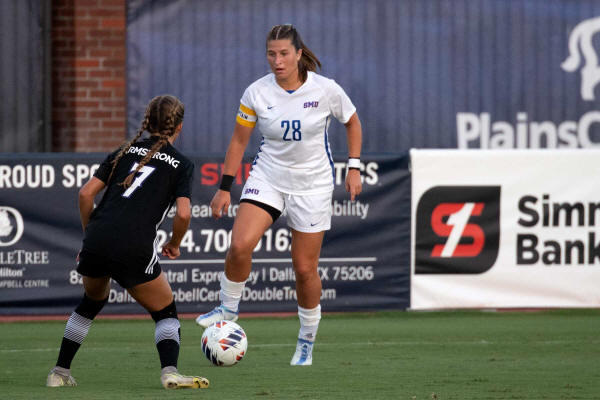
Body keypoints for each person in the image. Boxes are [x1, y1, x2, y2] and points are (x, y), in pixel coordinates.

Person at [195, 24, 363, 366]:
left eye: (284, 53)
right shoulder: (256, 92)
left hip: (312, 185)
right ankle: (228, 308)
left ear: (298, 54)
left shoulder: (326, 89)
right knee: (239, 245)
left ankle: (306, 340)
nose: (277, 60)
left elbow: (352, 122)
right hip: (268, 177)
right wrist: (224, 188)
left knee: (304, 269)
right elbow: (239, 140)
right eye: (271, 54)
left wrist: (354, 166)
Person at [46, 95, 209, 390]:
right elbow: (184, 213)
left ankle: (59, 373)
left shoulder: (123, 151)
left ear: (147, 122)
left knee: (91, 302)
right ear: (179, 127)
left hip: (97, 239)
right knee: (165, 311)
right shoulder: (181, 164)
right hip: (134, 245)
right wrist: (175, 243)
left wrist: (90, 235)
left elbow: (85, 194)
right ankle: (170, 373)